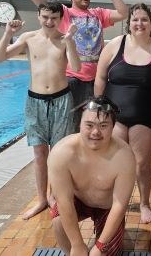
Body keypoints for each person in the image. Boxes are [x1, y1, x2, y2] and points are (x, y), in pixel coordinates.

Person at [23, 0, 128, 131]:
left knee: (95, 125)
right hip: (72, 79)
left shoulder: (98, 14)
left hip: (97, 80)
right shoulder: (63, 13)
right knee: (69, 128)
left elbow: (123, 13)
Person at [0, 0, 80, 220]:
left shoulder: (64, 39)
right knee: (40, 153)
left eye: (54, 17)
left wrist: (70, 41)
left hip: (61, 100)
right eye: (45, 17)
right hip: (35, 101)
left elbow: (77, 67)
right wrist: (6, 33)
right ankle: (42, 198)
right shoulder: (28, 38)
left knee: (58, 153)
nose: (49, 21)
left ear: (61, 18)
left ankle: (54, 196)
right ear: (38, 16)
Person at [94, 3, 151, 224]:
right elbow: (101, 78)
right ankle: (115, 200)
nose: (140, 24)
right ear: (129, 24)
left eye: (144, 20)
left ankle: (144, 203)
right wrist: (99, 108)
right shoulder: (115, 46)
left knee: (141, 164)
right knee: (115, 161)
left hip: (146, 117)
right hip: (114, 116)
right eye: (135, 20)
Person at [48, 96, 136, 256]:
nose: (95, 132)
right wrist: (76, 245)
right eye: (89, 125)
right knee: (58, 220)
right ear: (79, 124)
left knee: (101, 254)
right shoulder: (62, 153)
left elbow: (119, 205)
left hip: (107, 208)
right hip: (78, 202)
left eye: (103, 125)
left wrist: (100, 246)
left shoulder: (124, 156)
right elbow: (64, 201)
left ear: (113, 127)